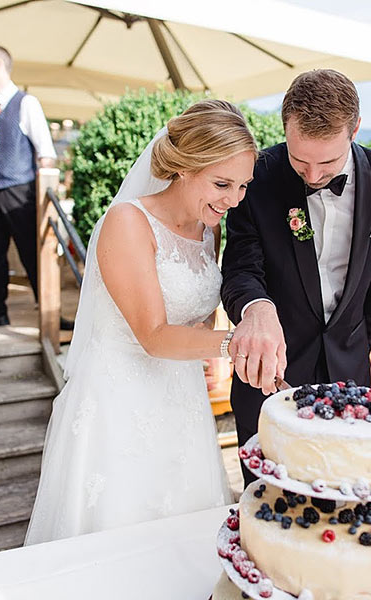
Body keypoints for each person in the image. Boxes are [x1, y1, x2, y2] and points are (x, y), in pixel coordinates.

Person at [24, 100, 257, 543]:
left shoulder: (211, 228)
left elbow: (200, 317)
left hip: (182, 401)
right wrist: (238, 343)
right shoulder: (129, 222)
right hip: (121, 402)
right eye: (222, 183)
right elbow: (152, 335)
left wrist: (214, 343)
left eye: (242, 186)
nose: (233, 200)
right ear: (184, 167)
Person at [221, 69, 371, 485]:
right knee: (268, 507)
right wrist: (256, 308)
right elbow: (240, 266)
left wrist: (355, 345)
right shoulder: (258, 174)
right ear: (285, 126)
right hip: (269, 376)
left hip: (350, 377)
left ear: (355, 129)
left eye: (327, 162)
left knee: (343, 499)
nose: (311, 175)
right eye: (299, 158)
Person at [0, 44, 63, 327]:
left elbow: (46, 153)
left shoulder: (26, 103)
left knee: (31, 251)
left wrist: (45, 192)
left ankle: (49, 310)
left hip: (21, 190)